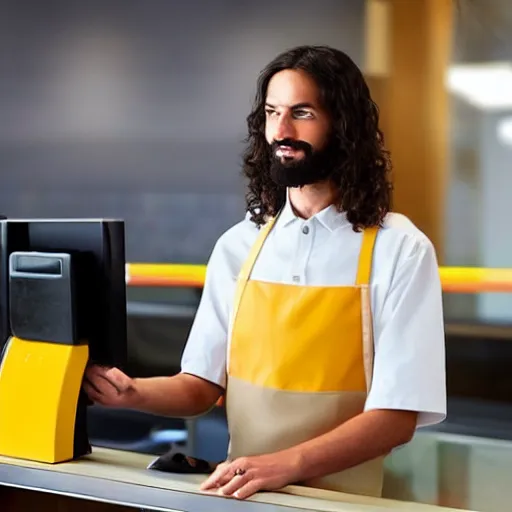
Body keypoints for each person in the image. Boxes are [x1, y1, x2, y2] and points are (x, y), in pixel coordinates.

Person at [84, 45, 446, 501]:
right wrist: (131, 392)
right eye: (273, 112)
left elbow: (396, 419)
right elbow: (200, 385)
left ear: (345, 126)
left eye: (302, 113)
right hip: (240, 497)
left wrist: (283, 466)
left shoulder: (401, 250)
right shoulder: (239, 245)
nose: (281, 130)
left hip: (343, 504)